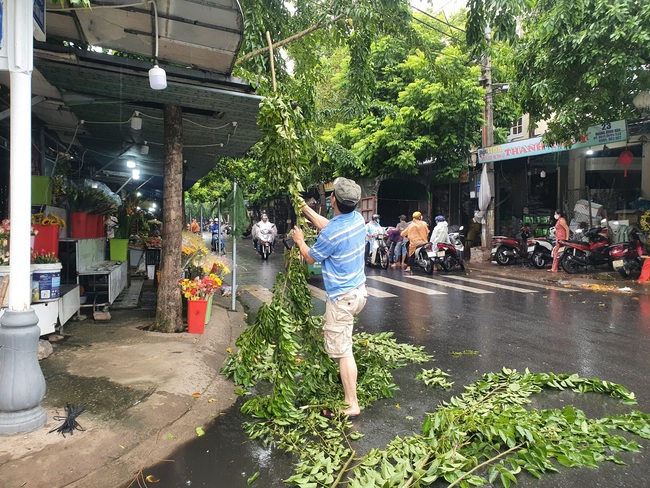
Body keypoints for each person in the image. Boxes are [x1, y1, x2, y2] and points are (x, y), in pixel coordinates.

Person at [291, 177, 367, 419]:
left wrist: (300, 241)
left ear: (333, 200)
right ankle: (349, 396)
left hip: (342, 298)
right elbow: (328, 226)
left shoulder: (332, 233)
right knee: (344, 343)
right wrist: (304, 208)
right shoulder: (357, 219)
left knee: (343, 351)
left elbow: (311, 258)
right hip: (358, 292)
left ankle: (351, 403)